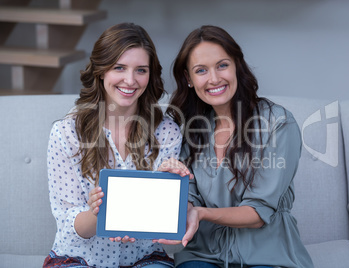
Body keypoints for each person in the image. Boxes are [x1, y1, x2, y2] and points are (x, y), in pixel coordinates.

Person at [163, 25, 314, 267]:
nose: (214, 78)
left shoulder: (278, 123)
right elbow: (188, 194)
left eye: (222, 65)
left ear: (236, 66)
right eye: (201, 70)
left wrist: (200, 214)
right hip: (202, 253)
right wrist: (180, 201)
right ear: (189, 80)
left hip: (267, 254)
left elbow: (257, 213)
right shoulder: (190, 127)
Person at [43, 23, 183, 268]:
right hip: (79, 258)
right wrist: (97, 214)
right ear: (101, 71)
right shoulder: (66, 133)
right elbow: (68, 225)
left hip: (144, 258)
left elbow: (171, 235)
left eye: (141, 70)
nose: (130, 80)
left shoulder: (167, 131)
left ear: (150, 75)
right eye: (119, 67)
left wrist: (173, 200)